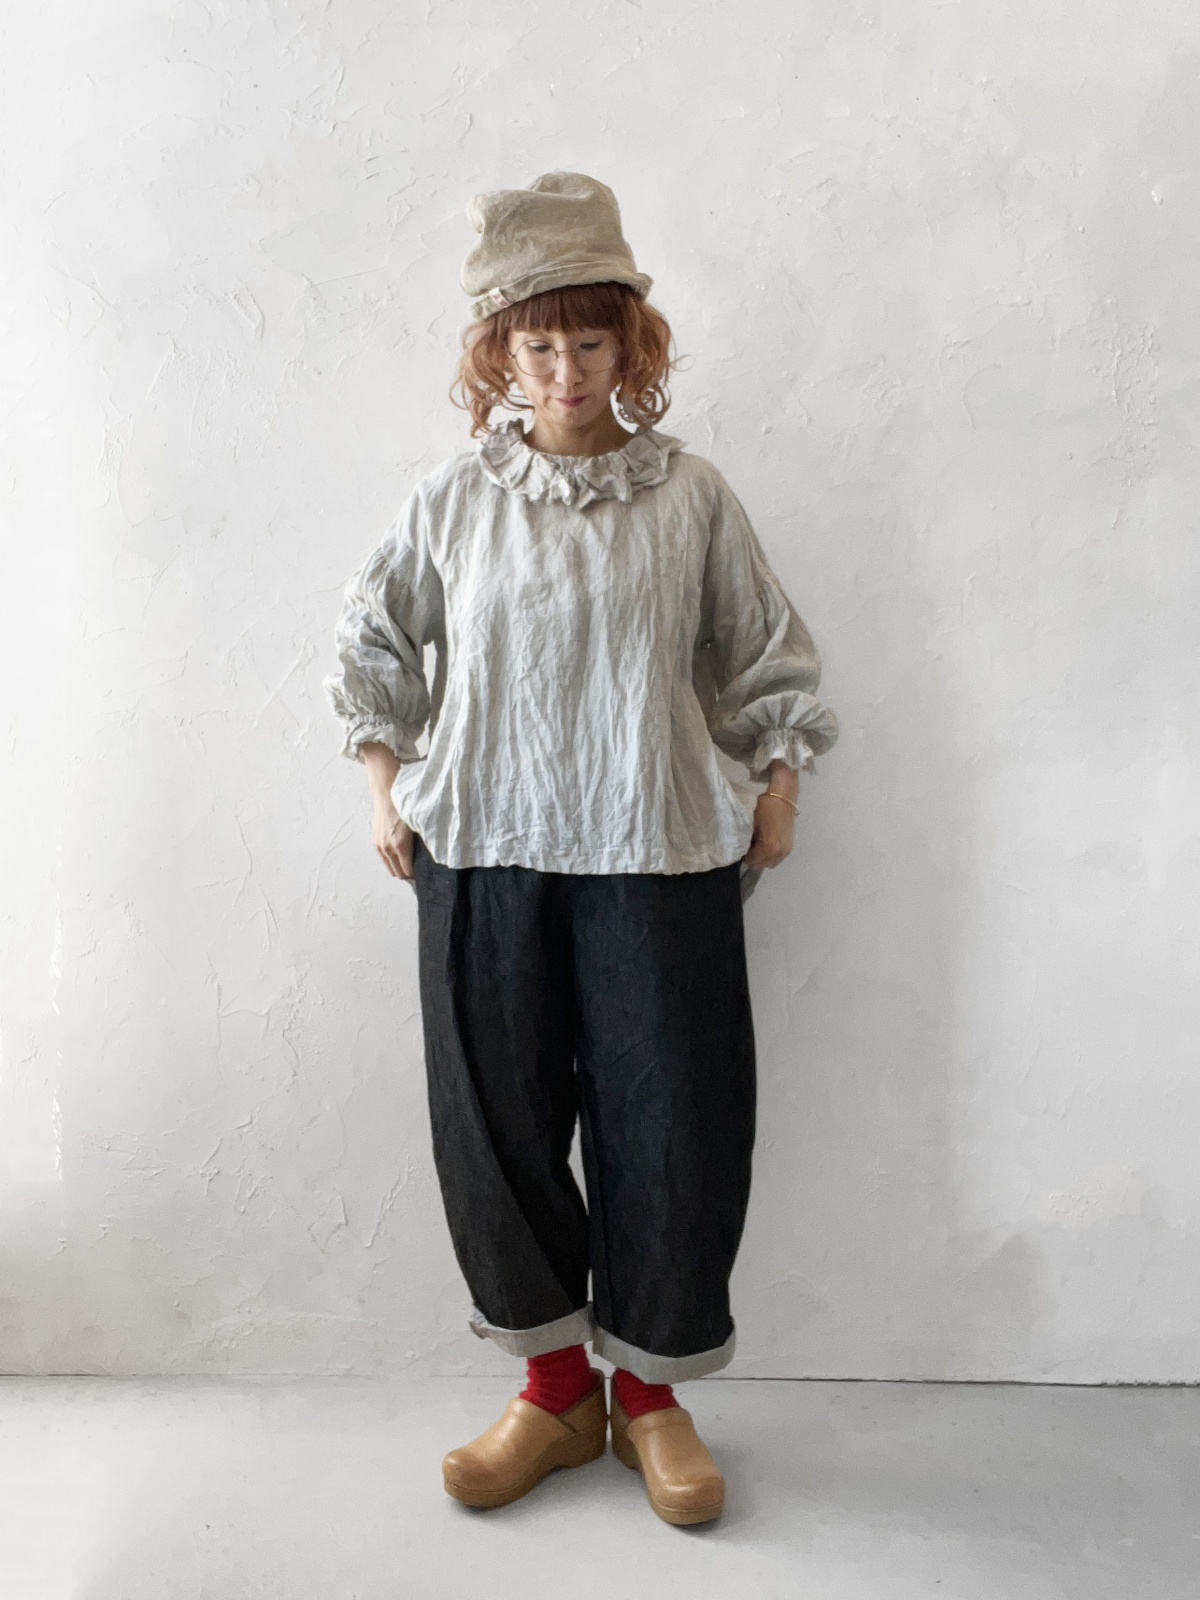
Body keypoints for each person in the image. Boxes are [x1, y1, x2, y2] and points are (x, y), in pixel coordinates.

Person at [323, 171, 839, 1526]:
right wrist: (384, 786)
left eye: (590, 342)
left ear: (633, 346)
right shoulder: (455, 499)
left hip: (657, 844)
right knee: (493, 1118)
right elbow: (372, 641)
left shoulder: (691, 497)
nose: (563, 371)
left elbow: (767, 654)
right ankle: (555, 1396)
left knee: (672, 1120)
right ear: (499, 352)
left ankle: (650, 1399)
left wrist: (781, 785)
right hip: (483, 844)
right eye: (537, 345)